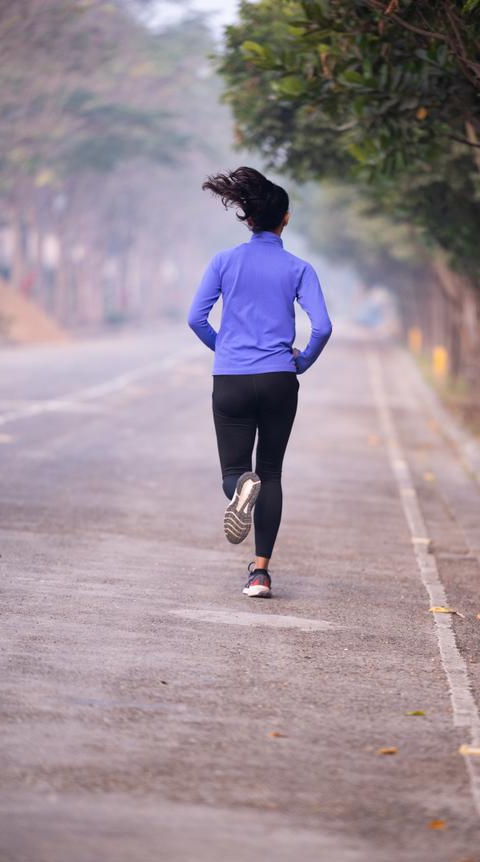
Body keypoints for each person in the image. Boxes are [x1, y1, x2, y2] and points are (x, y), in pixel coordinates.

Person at [187, 167, 333, 598]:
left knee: (236, 472)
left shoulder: (223, 261)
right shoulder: (299, 268)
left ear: (248, 220)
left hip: (231, 378)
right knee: (270, 472)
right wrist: (300, 362)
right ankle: (260, 574)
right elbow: (322, 326)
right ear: (285, 219)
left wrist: (225, 349)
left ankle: (239, 490)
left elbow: (196, 318)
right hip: (277, 380)